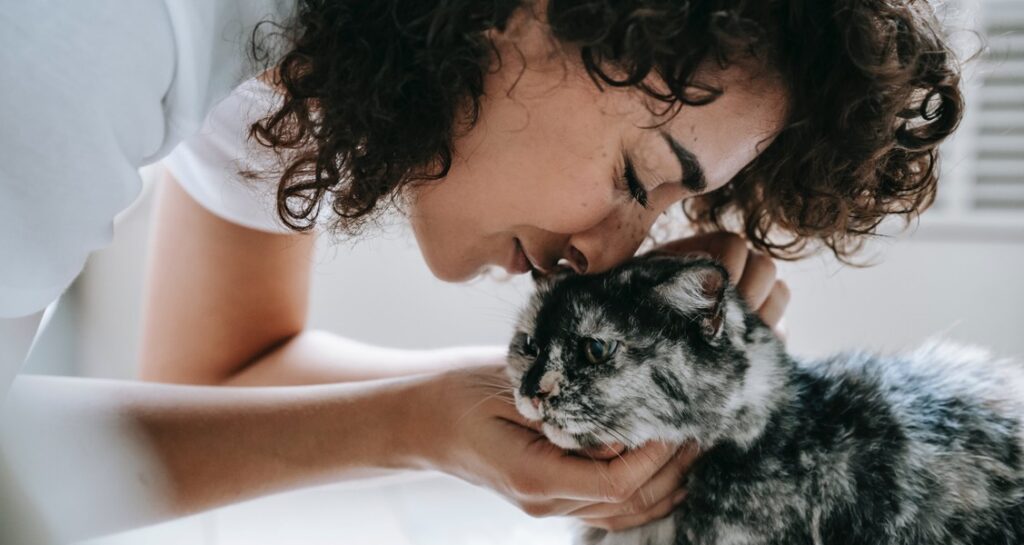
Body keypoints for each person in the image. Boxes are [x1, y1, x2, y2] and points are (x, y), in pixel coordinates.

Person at [0, 0, 962, 543]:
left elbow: (218, 365)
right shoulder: (79, 41)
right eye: (638, 175)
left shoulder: (292, 60)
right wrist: (414, 429)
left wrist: (493, 406)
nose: (613, 252)